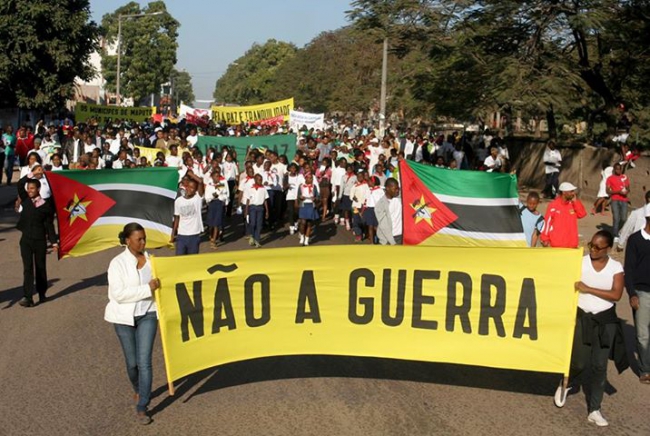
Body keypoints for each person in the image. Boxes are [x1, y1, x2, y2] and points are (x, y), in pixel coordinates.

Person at [554, 230, 627, 427]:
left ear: (608, 249)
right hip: (582, 318)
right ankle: (566, 383)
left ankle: (595, 409)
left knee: (599, 366)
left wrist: (588, 289)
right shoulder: (580, 261)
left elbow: (616, 295)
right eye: (591, 245)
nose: (593, 249)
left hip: (605, 322)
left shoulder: (615, 267)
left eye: (598, 247)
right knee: (578, 361)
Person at [105, 223, 161, 425]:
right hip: (123, 318)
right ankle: (138, 388)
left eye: (145, 238)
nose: (143, 242)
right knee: (132, 364)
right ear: (128, 240)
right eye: (139, 239)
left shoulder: (152, 261)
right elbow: (118, 295)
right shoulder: (117, 263)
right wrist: (147, 289)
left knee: (145, 361)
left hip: (148, 314)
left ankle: (142, 405)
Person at [16, 177, 58, 307]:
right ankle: (27, 297)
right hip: (26, 241)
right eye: (28, 188)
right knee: (27, 269)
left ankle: (42, 293)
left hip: (39, 241)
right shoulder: (25, 201)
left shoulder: (45, 206)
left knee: (40, 267)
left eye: (32, 188)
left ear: (38, 189)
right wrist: (32, 174)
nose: (29, 191)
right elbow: (20, 184)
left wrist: (54, 242)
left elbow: (49, 225)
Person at [623, 204, 650, 384]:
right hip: (642, 292)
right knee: (643, 335)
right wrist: (632, 294)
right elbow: (629, 270)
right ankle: (645, 369)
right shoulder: (635, 240)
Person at [540, 182, 587, 248]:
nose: (573, 193)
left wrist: (576, 202)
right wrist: (544, 238)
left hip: (572, 244)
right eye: (571, 191)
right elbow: (547, 223)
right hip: (557, 244)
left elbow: (582, 214)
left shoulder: (573, 204)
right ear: (564, 192)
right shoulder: (553, 205)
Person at [171, 171, 204, 255]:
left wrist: (190, 173)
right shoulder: (178, 201)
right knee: (179, 258)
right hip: (181, 235)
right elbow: (176, 218)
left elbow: (200, 181)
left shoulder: (197, 199)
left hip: (194, 235)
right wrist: (173, 234)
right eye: (188, 187)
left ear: (195, 190)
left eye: (192, 188)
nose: (190, 189)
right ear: (185, 187)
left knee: (192, 260)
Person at [205, 168, 229, 249]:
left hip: (219, 204)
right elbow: (207, 197)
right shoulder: (209, 185)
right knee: (211, 223)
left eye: (218, 176)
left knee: (217, 223)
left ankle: (214, 241)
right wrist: (214, 195)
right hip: (212, 204)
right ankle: (211, 235)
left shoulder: (221, 185)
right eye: (215, 176)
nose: (217, 178)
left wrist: (222, 199)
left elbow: (225, 195)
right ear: (212, 177)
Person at [606, 163, 630, 240]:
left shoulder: (625, 177)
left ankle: (617, 229)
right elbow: (608, 191)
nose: (618, 170)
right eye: (617, 169)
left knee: (624, 218)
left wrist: (626, 191)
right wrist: (618, 192)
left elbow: (628, 188)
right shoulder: (610, 178)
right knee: (616, 217)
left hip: (624, 200)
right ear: (614, 169)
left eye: (620, 169)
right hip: (615, 199)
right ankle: (615, 234)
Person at [375, 178, 402, 245]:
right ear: (387, 188)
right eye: (395, 189)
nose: (397, 191)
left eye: (398, 188)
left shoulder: (400, 199)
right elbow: (384, 226)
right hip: (388, 240)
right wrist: (392, 242)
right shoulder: (380, 205)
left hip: (401, 236)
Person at [245, 173, 269, 248]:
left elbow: (265, 200)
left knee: (259, 224)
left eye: (261, 180)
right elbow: (248, 200)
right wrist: (246, 211)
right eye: (258, 179)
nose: (260, 181)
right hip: (252, 207)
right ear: (255, 180)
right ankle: (252, 235)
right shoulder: (250, 188)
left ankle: (257, 240)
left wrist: (267, 211)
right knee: (253, 223)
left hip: (260, 208)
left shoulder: (263, 189)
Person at [297, 172, 320, 246]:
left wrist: (315, 199)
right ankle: (302, 236)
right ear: (305, 178)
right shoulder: (301, 186)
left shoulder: (314, 187)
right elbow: (298, 196)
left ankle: (307, 238)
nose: (311, 180)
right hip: (303, 205)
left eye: (312, 178)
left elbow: (317, 197)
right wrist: (300, 197)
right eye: (309, 178)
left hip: (311, 205)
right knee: (303, 222)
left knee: (309, 223)